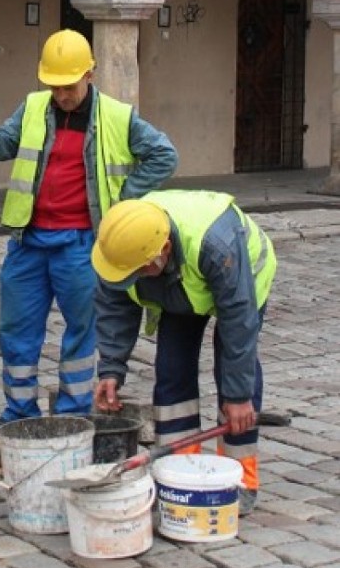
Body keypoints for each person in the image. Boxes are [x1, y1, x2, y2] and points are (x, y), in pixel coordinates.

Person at [0, 28, 177, 426]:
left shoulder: (116, 117)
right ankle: (18, 416)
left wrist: (125, 197)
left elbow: (164, 155)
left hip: (81, 244)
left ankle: (73, 416)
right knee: (17, 333)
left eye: (68, 86)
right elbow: (2, 145)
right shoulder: (34, 107)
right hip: (29, 243)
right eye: (54, 86)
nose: (61, 95)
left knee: (81, 333)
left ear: (89, 75)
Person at [91, 191, 277, 516]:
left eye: (139, 271)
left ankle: (240, 480)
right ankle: (178, 472)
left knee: (234, 379)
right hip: (180, 284)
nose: (130, 277)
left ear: (162, 251)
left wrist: (238, 395)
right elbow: (114, 306)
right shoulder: (121, 250)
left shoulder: (216, 244)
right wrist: (110, 369)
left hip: (240, 278)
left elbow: (238, 324)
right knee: (172, 370)